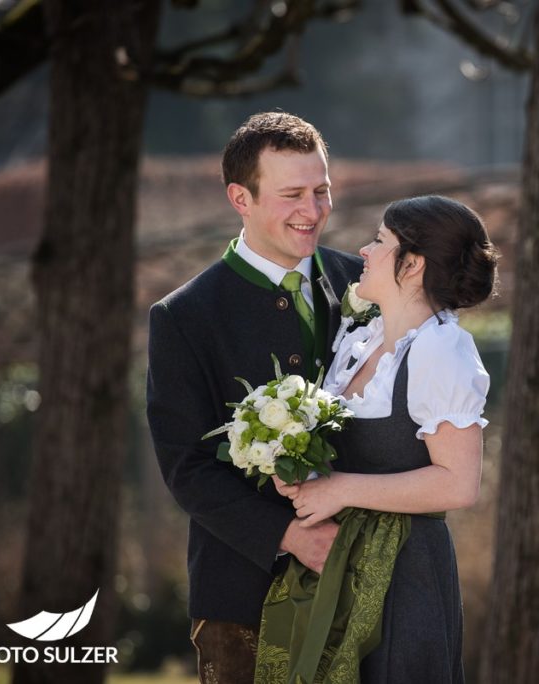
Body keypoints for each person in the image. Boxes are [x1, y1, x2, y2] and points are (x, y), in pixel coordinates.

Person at [146, 112, 363, 684]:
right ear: (240, 197)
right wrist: (288, 536)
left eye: (322, 191)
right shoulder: (184, 317)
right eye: (292, 194)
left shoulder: (366, 283)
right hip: (241, 594)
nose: (312, 211)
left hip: (370, 584)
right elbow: (186, 467)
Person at [264, 195, 498, 683]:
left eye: (379, 241)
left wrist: (340, 489)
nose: (364, 252)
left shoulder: (440, 351)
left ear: (412, 265)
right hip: (338, 562)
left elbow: (459, 484)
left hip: (404, 575)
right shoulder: (361, 341)